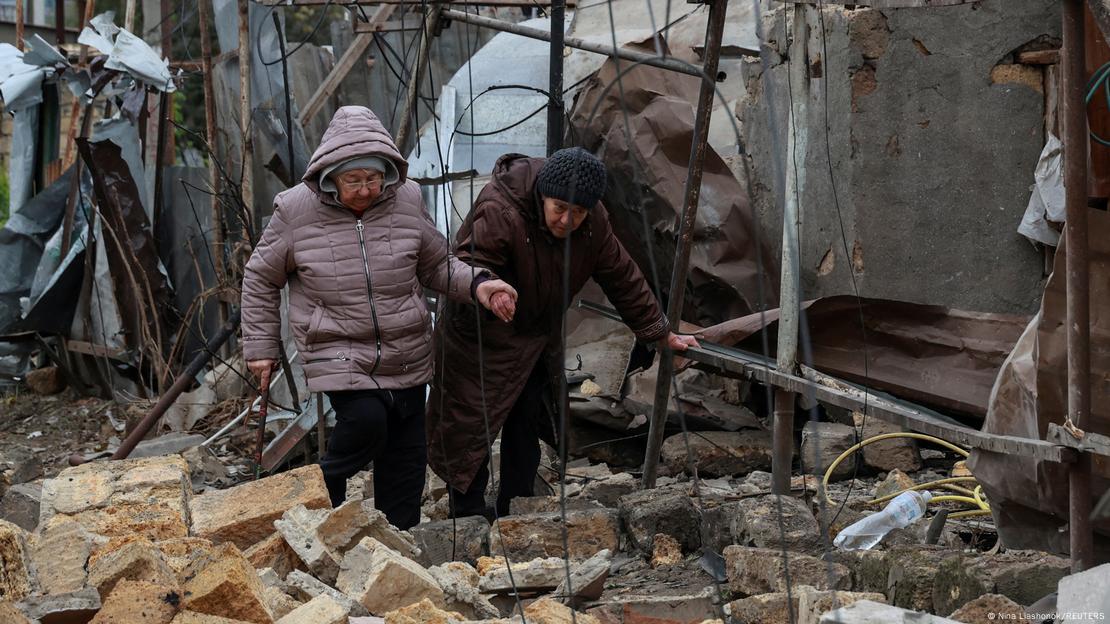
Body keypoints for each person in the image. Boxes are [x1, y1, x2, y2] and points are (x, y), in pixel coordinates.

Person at [241, 106, 517, 529]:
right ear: (330, 176)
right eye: (354, 180)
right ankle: (321, 495)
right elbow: (260, 276)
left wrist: (480, 284)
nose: (367, 189)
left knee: (407, 452)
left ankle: (400, 540)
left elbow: (437, 265)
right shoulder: (295, 210)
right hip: (335, 347)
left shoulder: (405, 199)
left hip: (406, 348)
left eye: (374, 178)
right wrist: (261, 348)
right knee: (367, 420)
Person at [426, 147, 698, 520]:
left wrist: (659, 332)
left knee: (527, 421)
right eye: (560, 209)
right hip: (478, 332)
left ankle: (516, 512)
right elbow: (469, 262)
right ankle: (468, 515)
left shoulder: (594, 224)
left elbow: (622, 277)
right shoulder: (501, 208)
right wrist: (490, 288)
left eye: (579, 212)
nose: (568, 219)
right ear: (543, 196)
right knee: (468, 426)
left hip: (535, 337)